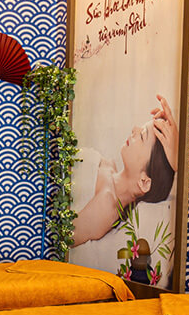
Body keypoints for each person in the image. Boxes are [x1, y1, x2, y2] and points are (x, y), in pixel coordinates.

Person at [72, 94, 178, 246]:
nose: (134, 129)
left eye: (143, 135)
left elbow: (64, 235)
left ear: (144, 181)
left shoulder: (107, 206)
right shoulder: (110, 167)